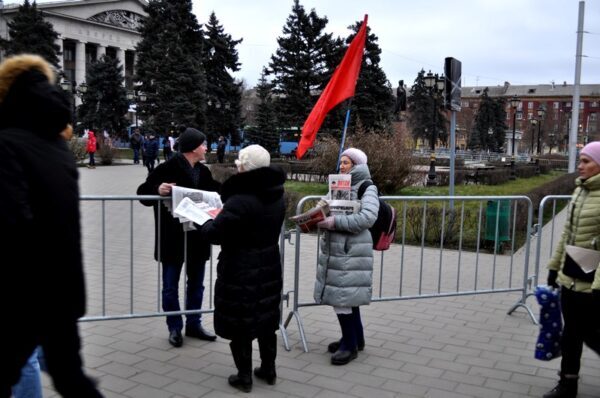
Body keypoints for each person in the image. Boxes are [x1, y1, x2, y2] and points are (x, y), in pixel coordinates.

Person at [0, 54, 104, 397]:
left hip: (21, 293)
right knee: (72, 380)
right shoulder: (57, 146)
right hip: (62, 289)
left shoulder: (8, 145)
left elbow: (12, 226)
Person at [198, 145, 286, 392]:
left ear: (245, 167)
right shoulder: (278, 194)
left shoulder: (240, 199)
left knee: (241, 321)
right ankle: (269, 370)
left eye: (239, 163)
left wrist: (204, 221)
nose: (236, 166)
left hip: (240, 267)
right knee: (266, 319)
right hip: (269, 262)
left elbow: (215, 233)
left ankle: (244, 376)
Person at [137, 128, 220, 348]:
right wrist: (157, 188)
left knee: (197, 284)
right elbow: (142, 193)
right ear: (193, 148)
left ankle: (194, 323)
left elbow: (216, 192)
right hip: (172, 239)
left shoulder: (203, 172)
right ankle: (174, 327)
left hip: (198, 238)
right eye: (203, 144)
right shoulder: (167, 168)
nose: (206, 148)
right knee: (170, 286)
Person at [544, 141, 600, 398]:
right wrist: (554, 267)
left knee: (592, 335)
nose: (580, 165)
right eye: (580, 160)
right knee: (571, 334)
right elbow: (567, 233)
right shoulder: (580, 191)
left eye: (587, 161)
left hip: (593, 282)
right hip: (572, 273)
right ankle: (567, 385)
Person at [314, 148, 379, 366]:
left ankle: (349, 347)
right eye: (340, 162)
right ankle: (355, 339)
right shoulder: (340, 184)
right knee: (348, 297)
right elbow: (326, 204)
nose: (341, 166)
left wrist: (336, 223)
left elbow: (368, 217)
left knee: (342, 299)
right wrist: (316, 212)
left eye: (346, 163)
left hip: (352, 250)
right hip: (338, 250)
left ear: (357, 165)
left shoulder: (367, 187)